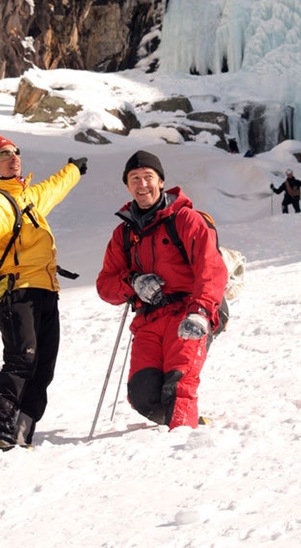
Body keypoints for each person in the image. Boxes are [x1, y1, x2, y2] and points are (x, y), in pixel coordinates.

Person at [0, 135, 87, 450]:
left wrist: (73, 170)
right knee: (22, 360)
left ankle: (21, 429)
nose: (13, 157)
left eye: (15, 151)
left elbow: (53, 189)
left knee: (43, 366)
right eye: (4, 154)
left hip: (46, 291)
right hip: (17, 293)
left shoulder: (25, 196)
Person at [96, 150, 227, 430]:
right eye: (135, 179)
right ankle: (182, 422)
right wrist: (133, 282)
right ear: (127, 186)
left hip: (188, 312)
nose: (142, 184)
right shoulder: (124, 234)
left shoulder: (187, 220)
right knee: (142, 396)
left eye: (148, 177)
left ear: (162, 182)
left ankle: (181, 443)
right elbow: (105, 285)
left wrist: (201, 312)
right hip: (149, 320)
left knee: (178, 385)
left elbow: (211, 270)